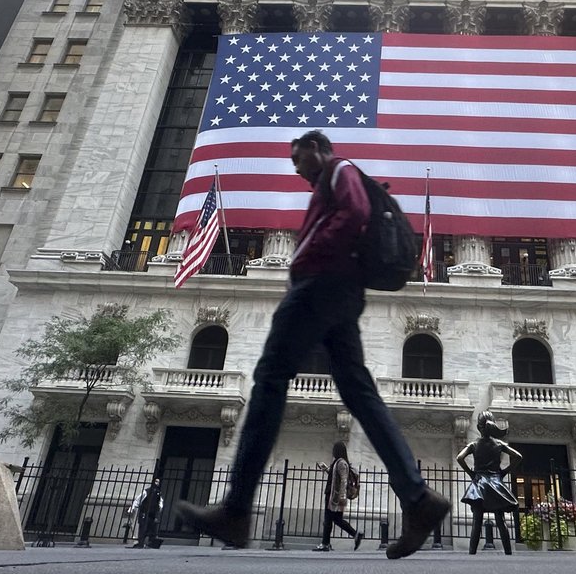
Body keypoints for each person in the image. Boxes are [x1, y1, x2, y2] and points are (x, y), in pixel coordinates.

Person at [175, 130, 450, 559]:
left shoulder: (339, 170)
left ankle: (237, 508)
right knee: (359, 393)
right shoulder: (328, 182)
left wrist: (311, 256)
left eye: (299, 156)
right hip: (340, 290)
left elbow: (356, 212)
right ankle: (418, 500)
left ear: (319, 150)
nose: (295, 165)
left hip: (321, 285)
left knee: (269, 379)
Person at [456, 412, 522, 555]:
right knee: (500, 520)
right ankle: (508, 552)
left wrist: (471, 473)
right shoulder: (499, 444)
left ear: (479, 427)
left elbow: (459, 458)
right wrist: (504, 472)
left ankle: (472, 552)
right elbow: (518, 456)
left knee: (477, 521)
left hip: (479, 484)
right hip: (496, 483)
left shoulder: (474, 444)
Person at [314, 441, 365, 551]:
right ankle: (355, 535)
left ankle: (325, 544)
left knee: (329, 519)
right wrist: (326, 469)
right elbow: (335, 478)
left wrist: (340, 498)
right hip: (334, 495)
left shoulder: (341, 463)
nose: (332, 452)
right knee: (336, 520)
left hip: (335, 497)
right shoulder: (338, 462)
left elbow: (343, 481)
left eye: (334, 449)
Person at [128, 475, 164, 549]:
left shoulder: (158, 492)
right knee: (142, 527)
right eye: (156, 481)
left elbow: (160, 502)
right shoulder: (146, 491)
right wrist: (132, 508)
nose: (157, 483)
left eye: (158, 482)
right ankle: (141, 542)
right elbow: (138, 500)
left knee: (151, 527)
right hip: (144, 512)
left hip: (152, 513)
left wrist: (158, 510)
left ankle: (149, 543)